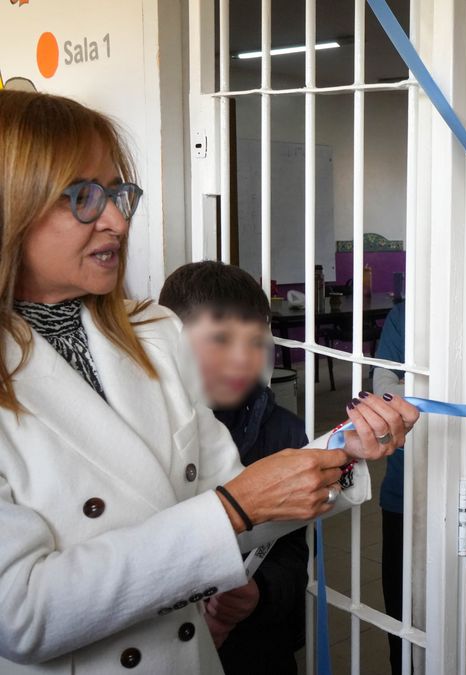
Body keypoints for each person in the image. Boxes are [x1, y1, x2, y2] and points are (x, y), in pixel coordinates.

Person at [0, 90, 419, 673]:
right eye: (84, 196)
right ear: (11, 207)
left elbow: (233, 498)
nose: (118, 219)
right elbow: (20, 614)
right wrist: (232, 509)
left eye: (121, 194)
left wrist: (339, 451)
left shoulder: (151, 331)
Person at [159, 261, 310, 675]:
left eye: (256, 340)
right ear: (170, 338)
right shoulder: (144, 425)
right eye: (221, 339)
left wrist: (258, 593)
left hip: (257, 649)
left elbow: (293, 554)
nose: (243, 358)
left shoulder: (284, 431)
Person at [371, 299, 407, 675]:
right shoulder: (403, 315)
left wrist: (407, 388)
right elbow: (383, 384)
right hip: (403, 492)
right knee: (400, 616)